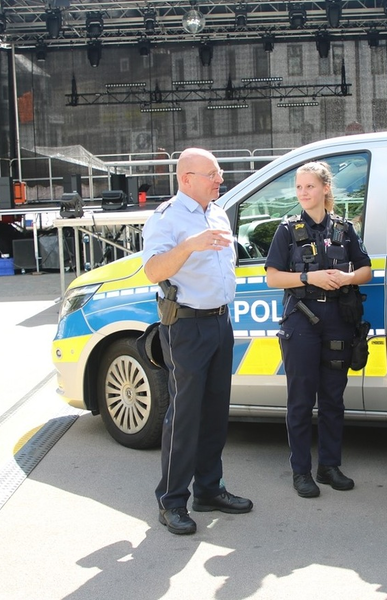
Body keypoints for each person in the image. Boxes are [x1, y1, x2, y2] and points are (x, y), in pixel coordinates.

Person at [142, 147, 253, 535]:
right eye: (212, 174)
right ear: (186, 178)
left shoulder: (216, 212)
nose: (219, 180)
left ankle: (209, 489)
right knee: (185, 416)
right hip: (186, 327)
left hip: (219, 321)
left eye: (219, 173)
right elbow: (152, 270)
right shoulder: (167, 218)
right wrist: (189, 245)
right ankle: (171, 501)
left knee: (215, 413)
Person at [265, 162, 372, 498]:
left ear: (325, 188)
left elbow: (366, 270)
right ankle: (301, 472)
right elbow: (272, 277)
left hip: (338, 318)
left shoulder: (345, 228)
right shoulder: (287, 230)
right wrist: (308, 277)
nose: (303, 193)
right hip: (301, 318)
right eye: (299, 187)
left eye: (309, 186)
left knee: (332, 399)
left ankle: (329, 466)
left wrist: (348, 277)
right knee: (300, 400)